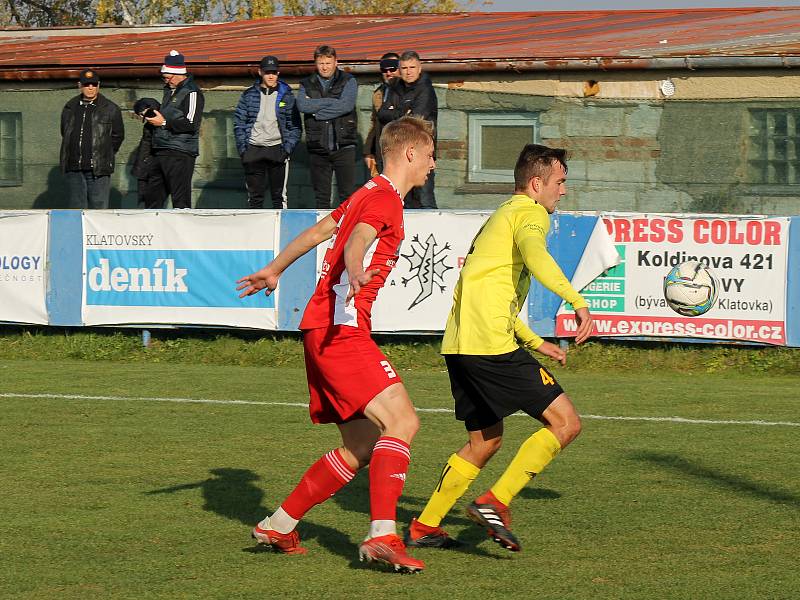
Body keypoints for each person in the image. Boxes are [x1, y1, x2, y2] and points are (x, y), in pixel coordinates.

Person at [237, 116, 436, 573]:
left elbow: (318, 231)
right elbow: (359, 240)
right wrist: (356, 265)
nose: (432, 164)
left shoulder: (364, 193)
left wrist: (275, 269)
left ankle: (279, 523)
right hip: (341, 332)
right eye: (428, 155)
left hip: (324, 331)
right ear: (409, 153)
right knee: (402, 421)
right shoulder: (384, 200)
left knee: (363, 446)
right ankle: (383, 535)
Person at [405, 144, 594, 552]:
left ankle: (425, 525)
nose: (563, 191)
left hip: (460, 345)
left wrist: (535, 341)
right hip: (490, 345)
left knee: (484, 441)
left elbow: (491, 295)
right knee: (566, 423)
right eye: (560, 182)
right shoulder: (530, 214)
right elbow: (536, 256)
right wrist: (576, 300)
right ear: (536, 183)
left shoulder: (502, 216)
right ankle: (496, 501)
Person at [233, 55, 302, 209]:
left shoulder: (287, 95)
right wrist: (244, 150)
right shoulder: (248, 94)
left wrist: (286, 150)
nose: (271, 76)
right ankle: (254, 232)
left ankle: (281, 233)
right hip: (253, 149)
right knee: (254, 198)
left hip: (277, 149)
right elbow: (239, 123)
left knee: (279, 198)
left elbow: (295, 126)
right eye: (267, 72)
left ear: (278, 73)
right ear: (260, 72)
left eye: (274, 72)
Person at [296, 45, 358, 209]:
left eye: (328, 63)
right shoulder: (306, 83)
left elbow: (346, 106)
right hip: (318, 147)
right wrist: (331, 102)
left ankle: (347, 231)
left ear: (336, 62)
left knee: (347, 196)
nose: (324, 67)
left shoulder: (348, 80)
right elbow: (302, 105)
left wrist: (317, 112)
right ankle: (324, 233)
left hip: (344, 145)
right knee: (322, 198)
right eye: (321, 63)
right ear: (315, 63)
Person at [144, 50, 204, 209]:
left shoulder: (192, 93)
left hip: (180, 152)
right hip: (161, 150)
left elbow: (191, 123)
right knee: (153, 200)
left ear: (178, 74)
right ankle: (154, 232)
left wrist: (163, 122)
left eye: (167, 77)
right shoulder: (169, 90)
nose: (165, 80)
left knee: (180, 201)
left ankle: (183, 233)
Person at [377, 50, 437, 209]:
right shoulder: (394, 87)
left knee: (425, 200)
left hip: (421, 154)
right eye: (404, 68)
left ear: (419, 68)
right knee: (401, 200)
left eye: (412, 67)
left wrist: (396, 113)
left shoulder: (426, 90)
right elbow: (382, 114)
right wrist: (403, 112)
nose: (408, 72)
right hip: (400, 156)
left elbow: (415, 121)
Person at [59, 68, 124, 209]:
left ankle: (96, 233)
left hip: (98, 169)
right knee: (77, 209)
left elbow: (118, 136)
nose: (90, 87)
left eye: (94, 84)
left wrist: (104, 154)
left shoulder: (111, 108)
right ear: (79, 85)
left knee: (99, 209)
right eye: (87, 84)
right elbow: (65, 132)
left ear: (98, 86)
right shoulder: (70, 107)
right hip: (74, 168)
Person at [363, 52, 399, 178]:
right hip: (380, 153)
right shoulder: (378, 93)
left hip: (399, 153)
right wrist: (368, 151)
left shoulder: (407, 93)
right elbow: (374, 122)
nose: (389, 73)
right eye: (385, 70)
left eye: (393, 68)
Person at [130, 98, 164, 208]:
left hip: (153, 168)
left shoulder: (158, 124)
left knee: (151, 204)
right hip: (147, 168)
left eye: (141, 115)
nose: (142, 118)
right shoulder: (150, 126)